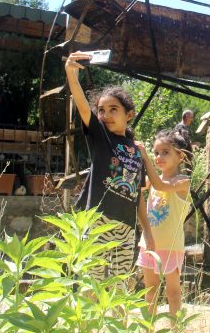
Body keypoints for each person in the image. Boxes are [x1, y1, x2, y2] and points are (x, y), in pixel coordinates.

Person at [65, 51, 152, 280]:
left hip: (126, 228)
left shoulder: (136, 150)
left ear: (129, 115)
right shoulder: (101, 138)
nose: (106, 115)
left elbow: (138, 195)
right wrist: (71, 74)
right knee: (91, 285)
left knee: (118, 286)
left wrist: (147, 231)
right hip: (98, 222)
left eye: (114, 109)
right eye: (101, 110)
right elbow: (84, 109)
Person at [135, 127, 192, 320]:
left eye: (165, 152)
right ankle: (148, 328)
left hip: (171, 246)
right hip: (149, 244)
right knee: (150, 291)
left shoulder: (183, 181)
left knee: (173, 293)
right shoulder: (153, 180)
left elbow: (160, 186)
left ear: (180, 156)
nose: (158, 157)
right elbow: (137, 186)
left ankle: (175, 328)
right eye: (156, 152)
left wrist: (144, 157)